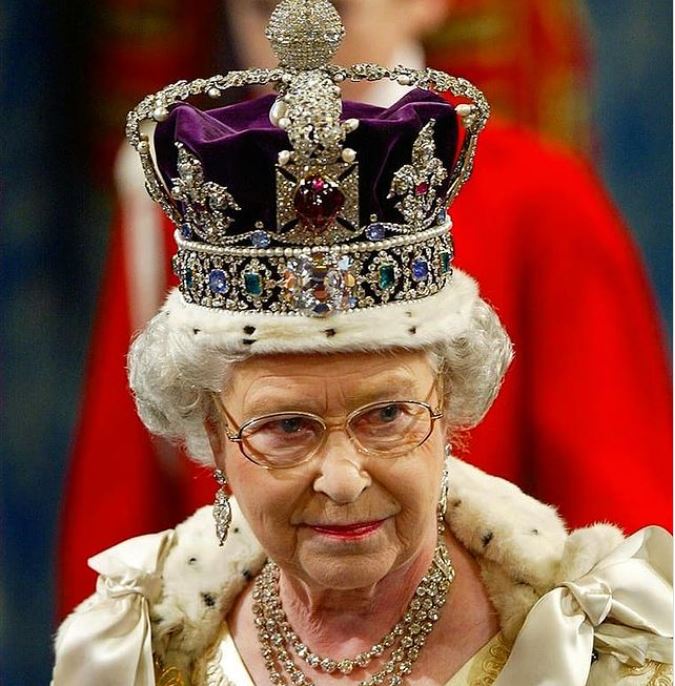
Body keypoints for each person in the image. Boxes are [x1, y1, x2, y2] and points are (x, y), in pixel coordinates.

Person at [52, 2, 672, 684]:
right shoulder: (176, 200)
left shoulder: (540, 193)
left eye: (387, 414)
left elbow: (620, 493)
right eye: (264, 6)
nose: (341, 478)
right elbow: (120, 499)